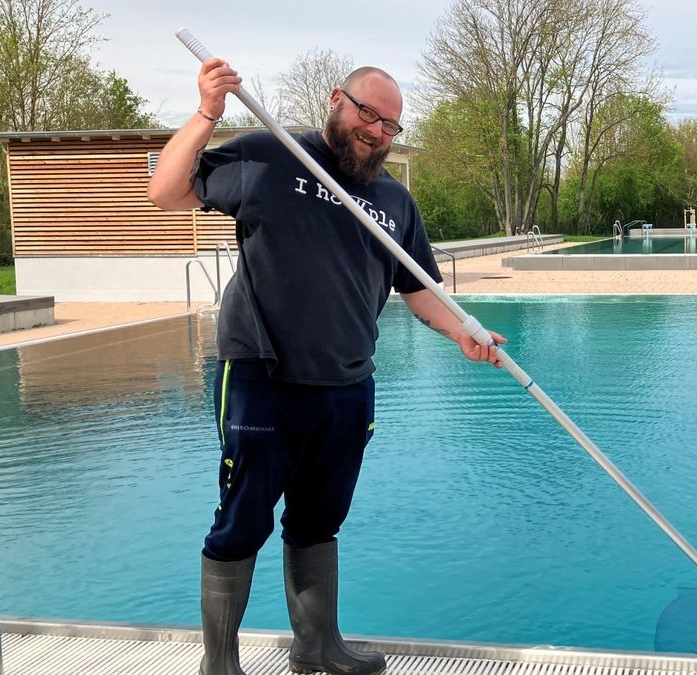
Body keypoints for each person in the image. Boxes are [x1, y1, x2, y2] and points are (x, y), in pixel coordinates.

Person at [148, 57, 505, 675]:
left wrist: (463, 333)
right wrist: (208, 113)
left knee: (318, 521)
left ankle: (317, 651)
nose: (378, 132)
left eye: (391, 126)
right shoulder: (269, 155)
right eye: (369, 114)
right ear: (338, 100)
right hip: (262, 376)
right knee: (242, 519)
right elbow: (165, 191)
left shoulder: (394, 201)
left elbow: (419, 289)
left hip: (346, 384)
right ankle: (220, 664)